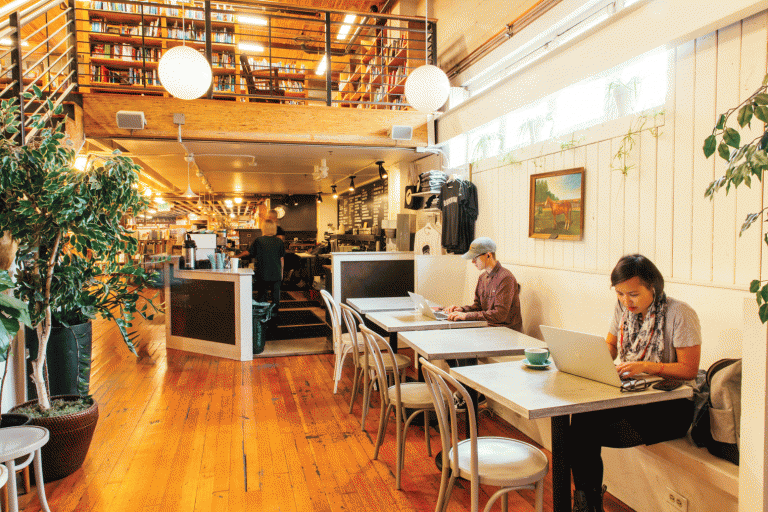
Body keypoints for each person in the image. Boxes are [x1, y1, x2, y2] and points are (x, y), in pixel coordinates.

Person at [569, 254, 701, 512]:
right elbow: (611, 345)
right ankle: (587, 502)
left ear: (653, 287)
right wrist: (594, 359)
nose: (625, 301)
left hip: (671, 407)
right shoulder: (622, 310)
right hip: (633, 397)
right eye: (619, 293)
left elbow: (689, 370)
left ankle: (587, 503)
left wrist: (645, 366)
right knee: (581, 420)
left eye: (633, 294)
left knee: (582, 431)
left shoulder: (679, 313)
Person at [443, 237, 522, 331]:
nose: (473, 262)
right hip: (488, 327)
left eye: (475, 258)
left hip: (506, 331)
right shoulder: (482, 277)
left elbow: (500, 315)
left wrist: (467, 316)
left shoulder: (505, 278)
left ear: (488, 255)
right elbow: (478, 307)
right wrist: (462, 310)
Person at [236, 219, 285, 312]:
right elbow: (281, 259)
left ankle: (262, 317)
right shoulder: (279, 241)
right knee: (276, 298)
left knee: (262, 297)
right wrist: (281, 273)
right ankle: (274, 317)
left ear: (264, 228)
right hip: (276, 273)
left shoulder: (259, 240)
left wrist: (236, 256)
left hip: (262, 273)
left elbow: (248, 253)